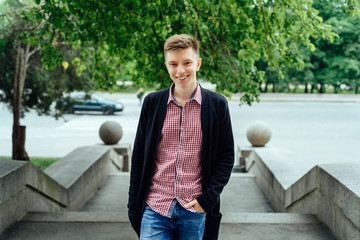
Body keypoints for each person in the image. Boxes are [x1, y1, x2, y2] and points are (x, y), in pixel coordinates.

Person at [128, 34, 234, 240]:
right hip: (155, 206)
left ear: (198, 63)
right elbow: (139, 156)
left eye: (187, 62)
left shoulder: (217, 104)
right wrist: (133, 205)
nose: (180, 70)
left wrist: (208, 199)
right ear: (166, 65)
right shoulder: (152, 103)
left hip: (194, 208)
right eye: (173, 64)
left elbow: (226, 156)